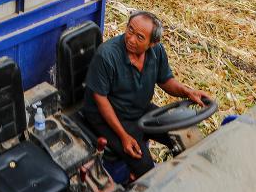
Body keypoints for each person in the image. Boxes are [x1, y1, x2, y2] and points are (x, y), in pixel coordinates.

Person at [81, 11, 211, 180]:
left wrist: (188, 92)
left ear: (153, 43)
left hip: (138, 108)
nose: (131, 39)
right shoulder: (106, 55)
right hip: (107, 115)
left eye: (140, 37)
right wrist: (124, 137)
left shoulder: (157, 51)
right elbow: (100, 99)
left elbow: (166, 80)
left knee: (183, 136)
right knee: (144, 166)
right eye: (130, 30)